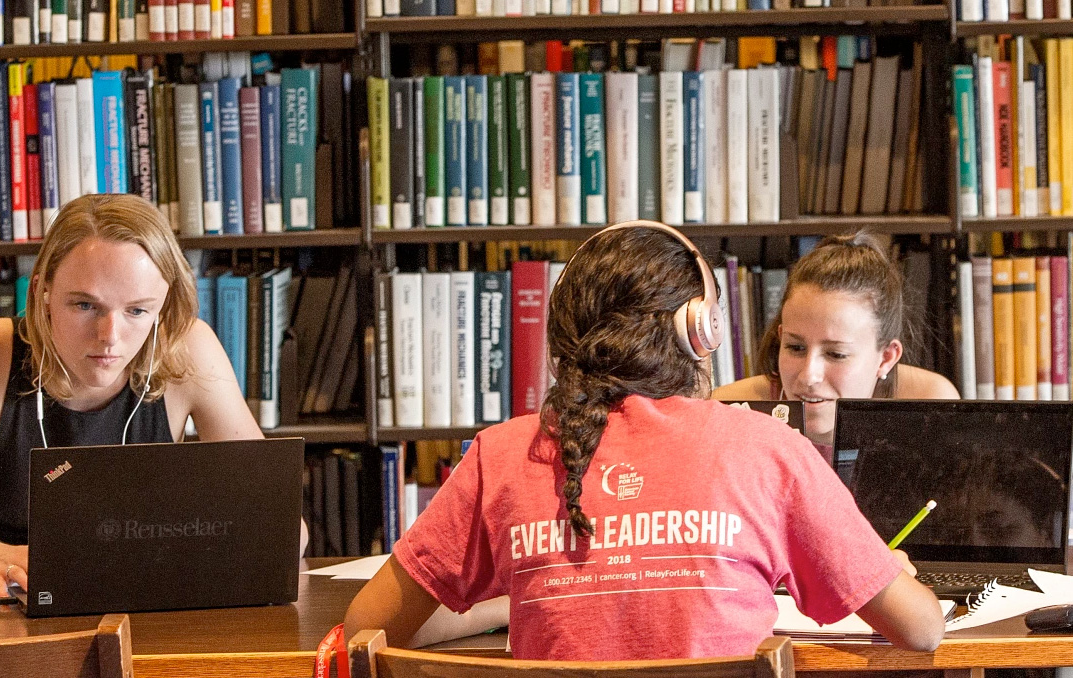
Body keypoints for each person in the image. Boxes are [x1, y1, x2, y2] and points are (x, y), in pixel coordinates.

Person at [344, 221, 945, 660]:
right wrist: (884, 568)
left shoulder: (500, 456)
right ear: (703, 331)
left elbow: (364, 629)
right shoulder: (768, 447)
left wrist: (532, 587)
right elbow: (921, 631)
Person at [0, 193, 303, 597]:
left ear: (163, 303)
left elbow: (285, 529)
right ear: (43, 292)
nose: (109, 337)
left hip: (146, 611)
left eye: (137, 310)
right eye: (84, 306)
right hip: (8, 612)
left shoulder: (186, 348)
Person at [712, 232, 958, 456]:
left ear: (886, 358)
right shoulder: (730, 411)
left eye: (836, 354)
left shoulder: (932, 406)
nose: (809, 376)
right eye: (795, 348)